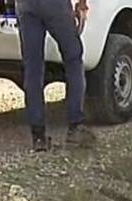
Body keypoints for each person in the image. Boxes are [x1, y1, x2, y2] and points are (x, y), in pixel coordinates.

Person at [15, 0, 96, 151]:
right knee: (73, 60)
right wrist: (82, 4)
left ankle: (38, 137)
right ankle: (75, 128)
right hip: (55, 6)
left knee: (33, 68)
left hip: (25, 6)